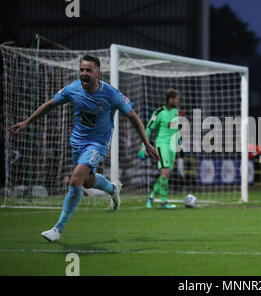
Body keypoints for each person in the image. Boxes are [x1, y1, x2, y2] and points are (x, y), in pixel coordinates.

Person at [9, 54, 160, 242]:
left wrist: (146, 143)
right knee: (87, 182)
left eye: (88, 70)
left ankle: (57, 229)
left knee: (74, 181)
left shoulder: (111, 94)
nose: (83, 73)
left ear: (98, 74)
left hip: (98, 144)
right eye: (81, 70)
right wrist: (27, 122)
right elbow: (50, 105)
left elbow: (133, 117)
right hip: (77, 142)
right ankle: (112, 188)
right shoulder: (73, 89)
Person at [138, 89, 181, 209]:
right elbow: (149, 128)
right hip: (162, 144)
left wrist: (180, 143)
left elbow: (177, 129)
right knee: (166, 172)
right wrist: (143, 147)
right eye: (177, 99)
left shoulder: (175, 112)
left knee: (165, 174)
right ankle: (163, 202)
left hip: (172, 146)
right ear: (171, 99)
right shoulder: (159, 112)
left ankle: (151, 196)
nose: (179, 101)